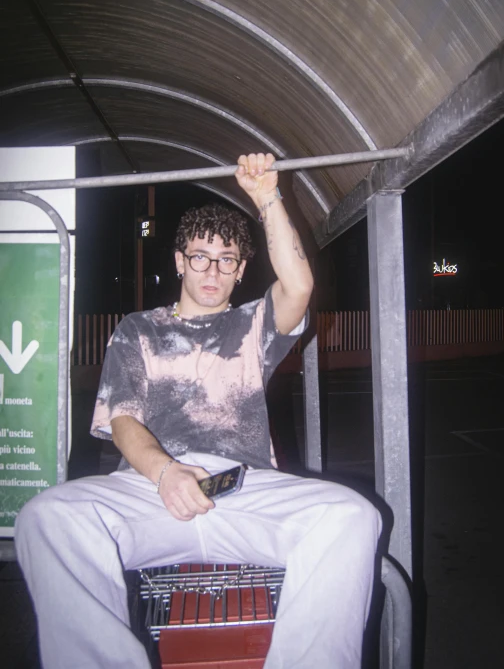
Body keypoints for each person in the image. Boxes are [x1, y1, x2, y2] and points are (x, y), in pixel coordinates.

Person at [15, 153, 382, 669]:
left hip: (241, 489)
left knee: (353, 517)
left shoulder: (253, 326)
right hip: (151, 491)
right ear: (180, 261)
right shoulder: (138, 329)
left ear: (241, 270)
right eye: (201, 257)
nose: (213, 270)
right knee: (46, 518)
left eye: (227, 259)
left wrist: (267, 197)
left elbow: (299, 286)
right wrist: (164, 473)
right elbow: (123, 420)